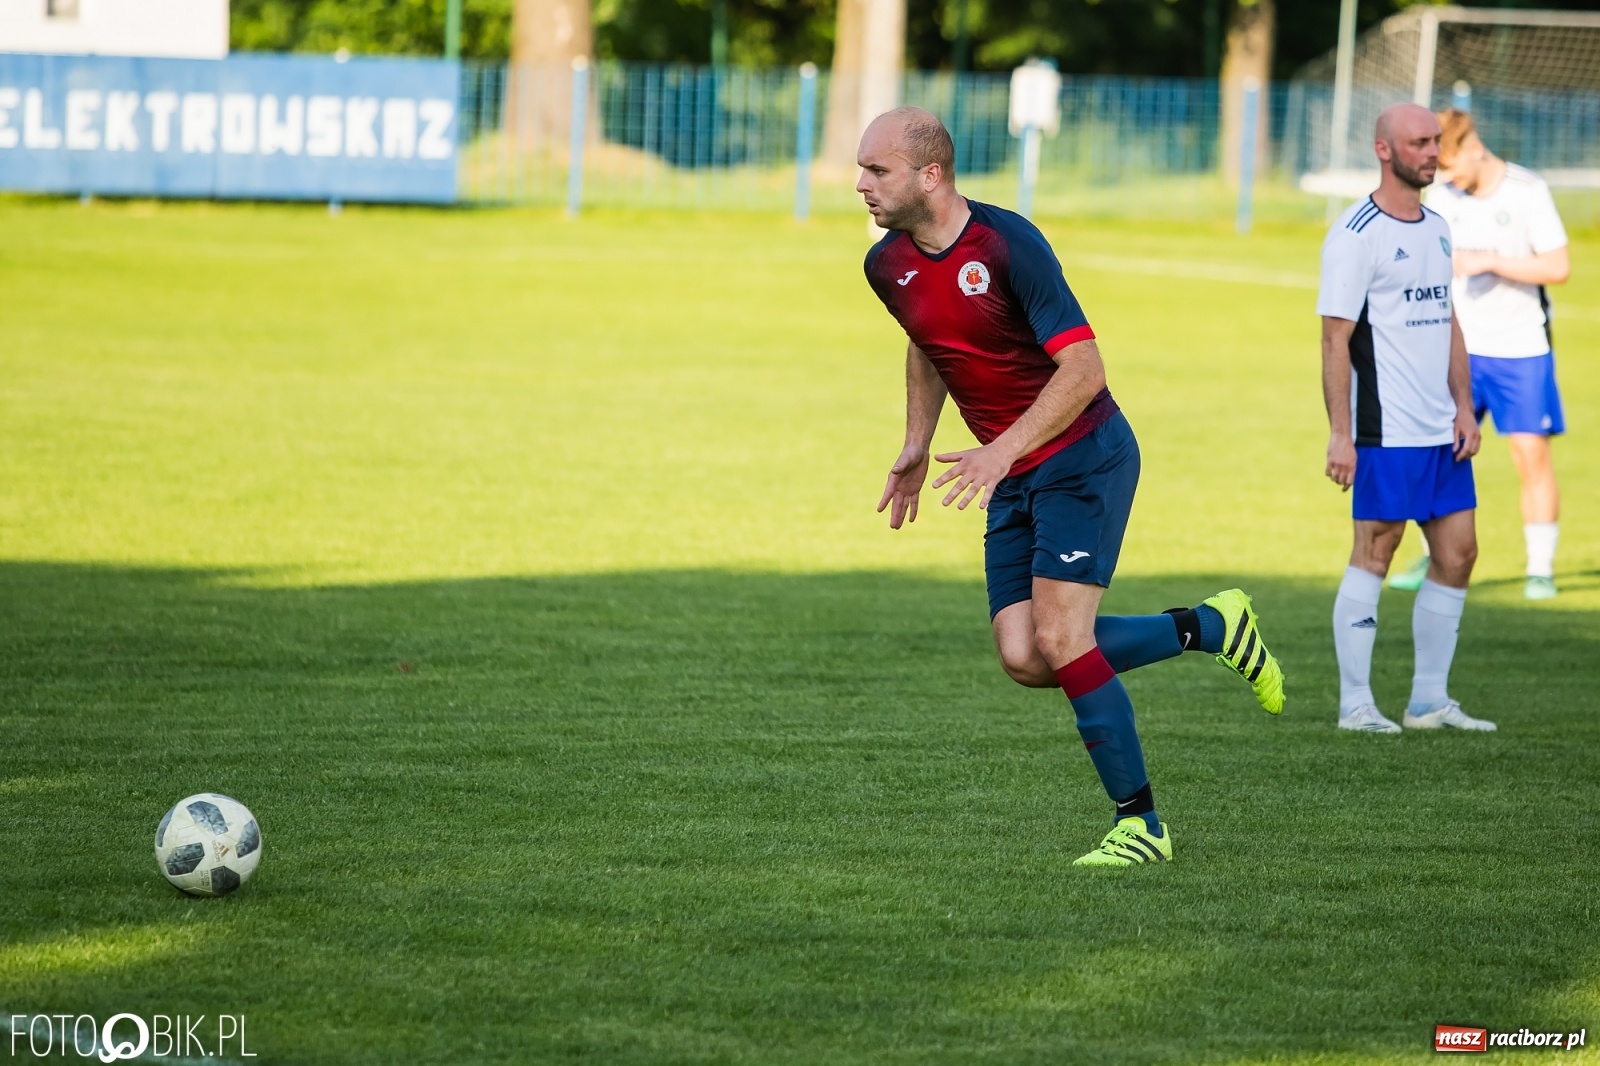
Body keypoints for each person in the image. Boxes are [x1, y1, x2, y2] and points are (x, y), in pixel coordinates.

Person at [856, 106, 1285, 867]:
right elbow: (928, 345)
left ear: (931, 174)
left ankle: (1141, 825)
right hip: (1012, 468)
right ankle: (1210, 629)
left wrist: (1001, 451)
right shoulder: (886, 264)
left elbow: (1085, 370)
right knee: (1025, 656)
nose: (861, 185)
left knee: (1062, 636)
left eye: (876, 170)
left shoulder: (1008, 243)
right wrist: (918, 443)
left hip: (1082, 454)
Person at [1318, 103, 1494, 734]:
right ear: (1385, 150)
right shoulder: (1356, 234)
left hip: (1440, 428)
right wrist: (1341, 433)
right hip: (1384, 430)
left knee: (1459, 552)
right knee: (1377, 549)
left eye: (1437, 141)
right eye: (1421, 142)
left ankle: (1427, 701)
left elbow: (1447, 318)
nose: (1433, 152)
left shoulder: (1438, 227)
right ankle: (1356, 704)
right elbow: (1334, 340)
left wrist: (1464, 406)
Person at [1410, 109, 1569, 601]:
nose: (1449, 176)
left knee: (1529, 457)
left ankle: (1539, 568)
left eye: (1453, 165)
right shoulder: (1441, 196)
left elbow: (1558, 266)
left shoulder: (1527, 191)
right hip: (1456, 349)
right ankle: (1432, 554)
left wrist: (1491, 260)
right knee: (1437, 455)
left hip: (1520, 348)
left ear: (1475, 150)